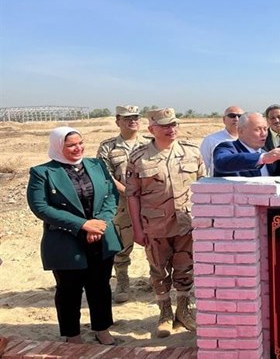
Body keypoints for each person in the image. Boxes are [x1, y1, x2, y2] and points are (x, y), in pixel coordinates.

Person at [27, 127, 122, 345]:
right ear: (57, 146)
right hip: (66, 240)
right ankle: (72, 335)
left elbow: (111, 195)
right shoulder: (42, 173)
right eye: (70, 145)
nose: (77, 148)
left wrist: (99, 224)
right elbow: (41, 207)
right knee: (68, 289)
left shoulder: (97, 165)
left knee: (100, 286)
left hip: (100, 237)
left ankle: (102, 329)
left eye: (80, 143)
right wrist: (83, 225)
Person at [125, 108, 206, 338]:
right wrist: (137, 229)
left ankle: (183, 310)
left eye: (173, 124)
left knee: (185, 268)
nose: (171, 129)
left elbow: (203, 187)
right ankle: (165, 313)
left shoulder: (192, 152)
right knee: (158, 271)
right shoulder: (139, 157)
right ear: (152, 129)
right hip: (155, 226)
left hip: (187, 223)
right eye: (165, 126)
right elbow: (132, 195)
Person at [97, 105, 151, 304]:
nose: (132, 121)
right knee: (122, 242)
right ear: (117, 121)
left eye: (135, 117)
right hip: (122, 203)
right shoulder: (108, 146)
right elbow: (105, 175)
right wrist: (128, 192)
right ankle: (122, 280)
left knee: (153, 240)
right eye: (127, 118)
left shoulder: (150, 143)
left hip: (149, 201)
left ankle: (155, 277)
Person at [213, 112, 280, 177]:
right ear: (241, 131)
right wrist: (262, 158)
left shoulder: (268, 155)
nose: (263, 134)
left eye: (265, 129)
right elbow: (221, 163)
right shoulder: (228, 147)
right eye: (257, 129)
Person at [199, 105, 244, 176]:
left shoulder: (252, 140)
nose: (236, 119)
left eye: (240, 116)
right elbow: (203, 168)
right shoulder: (211, 140)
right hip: (219, 182)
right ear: (224, 120)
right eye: (232, 116)